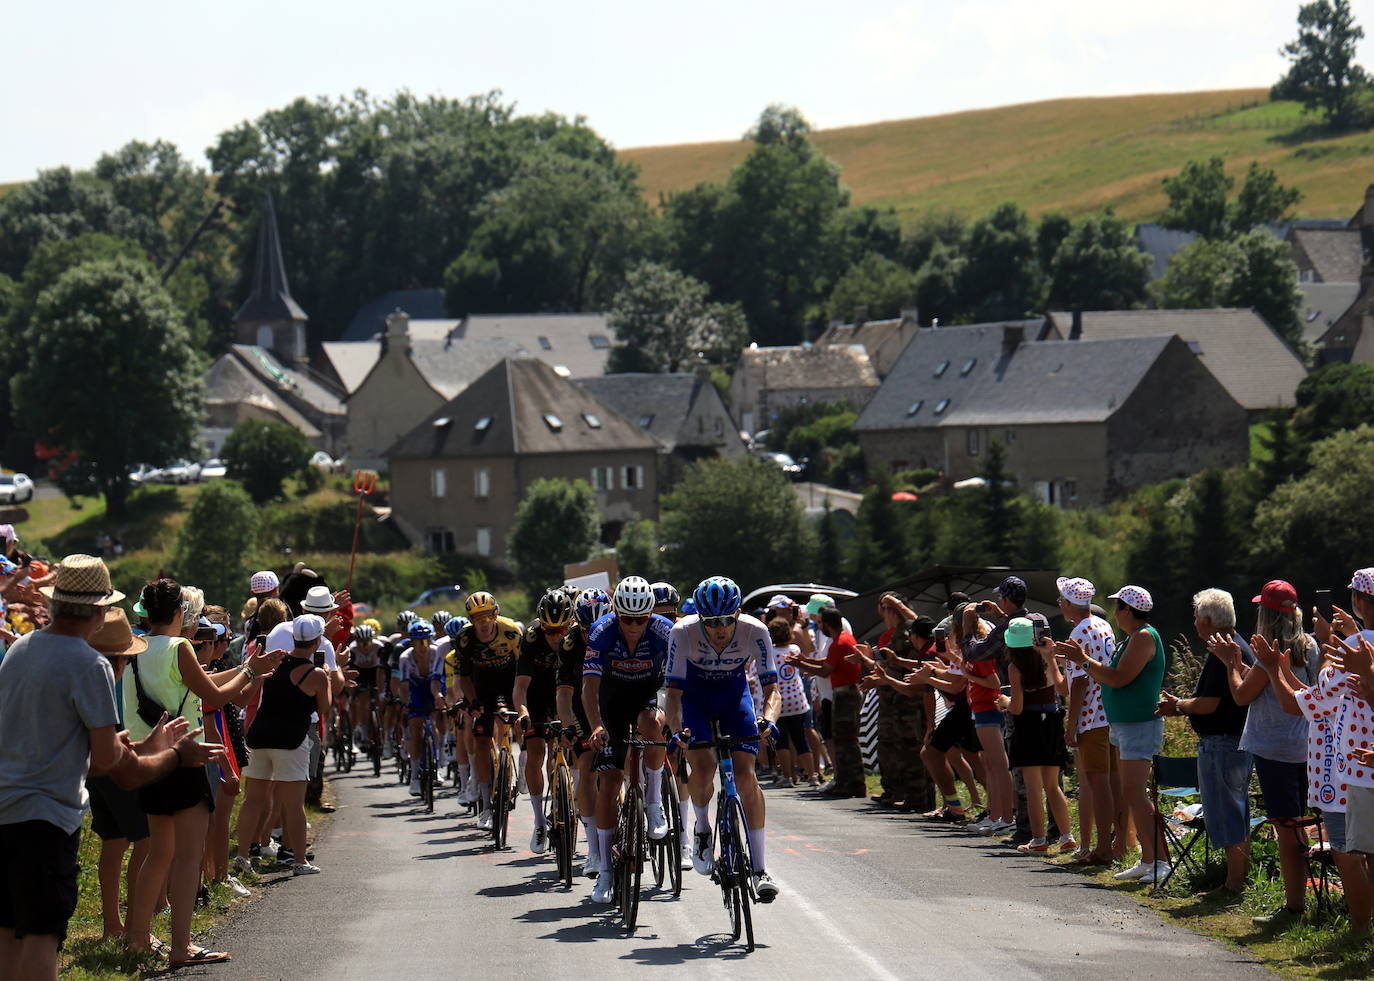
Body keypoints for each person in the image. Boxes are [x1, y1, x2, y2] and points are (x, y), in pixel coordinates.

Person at [0, 556, 222, 980]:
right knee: (42, 938)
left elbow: (59, 747)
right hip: (44, 821)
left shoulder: (20, 649)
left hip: (4, 811)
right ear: (101, 610)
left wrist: (144, 745)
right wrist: (175, 755)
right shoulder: (90, 664)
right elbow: (118, 769)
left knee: (9, 934)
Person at [123, 578, 282, 967]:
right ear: (180, 613)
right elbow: (214, 696)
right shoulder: (179, 648)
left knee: (157, 854)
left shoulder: (134, 649)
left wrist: (247, 668)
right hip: (185, 758)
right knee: (188, 857)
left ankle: (138, 939)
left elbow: (201, 685)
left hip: (148, 760)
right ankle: (181, 947)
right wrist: (251, 674)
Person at [1208, 580, 1320, 920]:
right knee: (1299, 824)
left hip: (1273, 749)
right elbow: (1288, 689)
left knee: (1285, 828)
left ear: (1265, 614)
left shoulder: (1270, 650)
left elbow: (1242, 696)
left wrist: (1231, 664)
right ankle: (1300, 901)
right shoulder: (1310, 645)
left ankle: (1293, 906)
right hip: (1304, 746)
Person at [665, 576, 782, 901]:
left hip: (734, 698)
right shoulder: (682, 632)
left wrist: (768, 720)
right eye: (711, 621)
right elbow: (673, 696)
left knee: (747, 778)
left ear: (738, 614)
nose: (719, 628)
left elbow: (773, 690)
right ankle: (702, 829)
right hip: (696, 700)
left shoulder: (756, 630)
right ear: (700, 618)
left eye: (725, 620)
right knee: (702, 768)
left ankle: (759, 868)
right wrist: (678, 732)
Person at [1061, 585, 1170, 884]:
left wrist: (1083, 660)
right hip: (1125, 725)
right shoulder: (1132, 638)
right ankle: (1149, 859)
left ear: (1127, 610)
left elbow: (1120, 679)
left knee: (1135, 792)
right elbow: (1110, 676)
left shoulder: (1145, 637)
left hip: (1138, 724)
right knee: (1130, 793)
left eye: (1118, 607)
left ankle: (1161, 860)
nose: (1115, 613)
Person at [583, 576, 673, 904]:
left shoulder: (664, 630)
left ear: (650, 615)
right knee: (608, 782)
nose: (635, 626)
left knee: (652, 722)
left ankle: (653, 802)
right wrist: (595, 725)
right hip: (614, 698)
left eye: (641, 619)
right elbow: (589, 688)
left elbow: (681, 681)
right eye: (627, 619)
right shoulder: (601, 631)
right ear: (616, 613)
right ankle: (605, 870)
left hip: (651, 691)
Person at [1158, 589, 1253, 896]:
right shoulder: (1239, 645)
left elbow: (1209, 703)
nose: (1194, 622)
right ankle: (1235, 880)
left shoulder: (1221, 652)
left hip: (1222, 744)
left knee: (1227, 814)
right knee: (1236, 812)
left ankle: (1232, 885)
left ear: (1210, 619)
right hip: (1237, 742)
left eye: (1197, 615)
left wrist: (1179, 705)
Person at [235, 616, 330, 876]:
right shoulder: (316, 674)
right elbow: (324, 708)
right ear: (318, 640)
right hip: (290, 740)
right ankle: (299, 860)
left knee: (252, 800)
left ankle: (243, 855)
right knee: (293, 804)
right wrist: (328, 680)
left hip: (259, 735)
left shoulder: (275, 661)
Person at [83, 609, 152, 940]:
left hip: (90, 767)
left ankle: (113, 924)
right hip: (114, 761)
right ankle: (138, 928)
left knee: (113, 842)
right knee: (146, 840)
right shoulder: (106, 676)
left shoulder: (86, 672)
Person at [1057, 577, 1121, 864]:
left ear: (1070, 604)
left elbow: (1080, 683)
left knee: (1098, 784)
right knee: (1111, 781)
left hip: (1091, 715)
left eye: (1061, 600)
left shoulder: (1078, 635)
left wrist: (1071, 725)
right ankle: (1116, 844)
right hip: (1109, 711)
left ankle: (1104, 848)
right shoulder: (1102, 625)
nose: (1060, 604)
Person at [998, 618, 1074, 854]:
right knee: (1053, 786)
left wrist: (1004, 702)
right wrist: (1051, 658)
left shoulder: (1015, 668)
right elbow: (1062, 690)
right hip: (1050, 721)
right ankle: (1066, 835)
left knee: (1033, 788)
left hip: (1027, 725)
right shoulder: (1045, 659)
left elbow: (1018, 706)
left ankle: (1039, 840)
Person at [452, 591, 524, 829]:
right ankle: (486, 804)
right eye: (477, 618)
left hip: (510, 681)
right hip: (482, 685)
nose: (483, 624)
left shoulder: (512, 631)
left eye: (487, 617)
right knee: (481, 739)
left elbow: (524, 670)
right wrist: (473, 703)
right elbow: (463, 678)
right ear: (470, 620)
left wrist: (522, 701)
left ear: (496, 614)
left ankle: (523, 763)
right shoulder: (464, 639)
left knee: (522, 721)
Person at [515, 589, 577, 854]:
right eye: (549, 631)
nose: (556, 636)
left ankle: (567, 800)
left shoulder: (577, 637)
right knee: (536, 753)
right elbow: (519, 686)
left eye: (561, 630)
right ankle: (540, 820)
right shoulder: (530, 638)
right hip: (538, 697)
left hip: (568, 695)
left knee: (567, 749)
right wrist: (522, 712)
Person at [789, 606, 865, 798]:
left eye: (821, 622)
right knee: (843, 739)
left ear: (828, 624)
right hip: (844, 692)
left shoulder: (839, 642)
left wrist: (800, 664)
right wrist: (806, 659)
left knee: (845, 740)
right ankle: (848, 781)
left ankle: (852, 783)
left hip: (845, 694)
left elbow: (825, 670)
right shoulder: (842, 640)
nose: (819, 626)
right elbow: (828, 661)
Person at [566, 588, 611, 877]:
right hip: (582, 703)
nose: (590, 633)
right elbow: (563, 693)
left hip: (613, 698)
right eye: (585, 628)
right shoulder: (570, 643)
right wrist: (569, 725)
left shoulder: (617, 631)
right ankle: (594, 851)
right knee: (586, 766)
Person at [398, 619, 445, 797]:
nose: (422, 646)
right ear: (412, 642)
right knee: (416, 730)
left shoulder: (436, 653)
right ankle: (415, 777)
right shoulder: (405, 657)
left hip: (433, 687)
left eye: (425, 641)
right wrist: (406, 704)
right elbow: (403, 686)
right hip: (416, 689)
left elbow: (440, 679)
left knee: (434, 722)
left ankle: (437, 766)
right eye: (418, 642)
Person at [768, 618, 816, 787]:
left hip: (779, 703)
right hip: (797, 701)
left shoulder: (769, 653)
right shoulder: (794, 649)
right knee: (800, 739)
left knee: (781, 741)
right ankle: (812, 776)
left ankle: (788, 777)